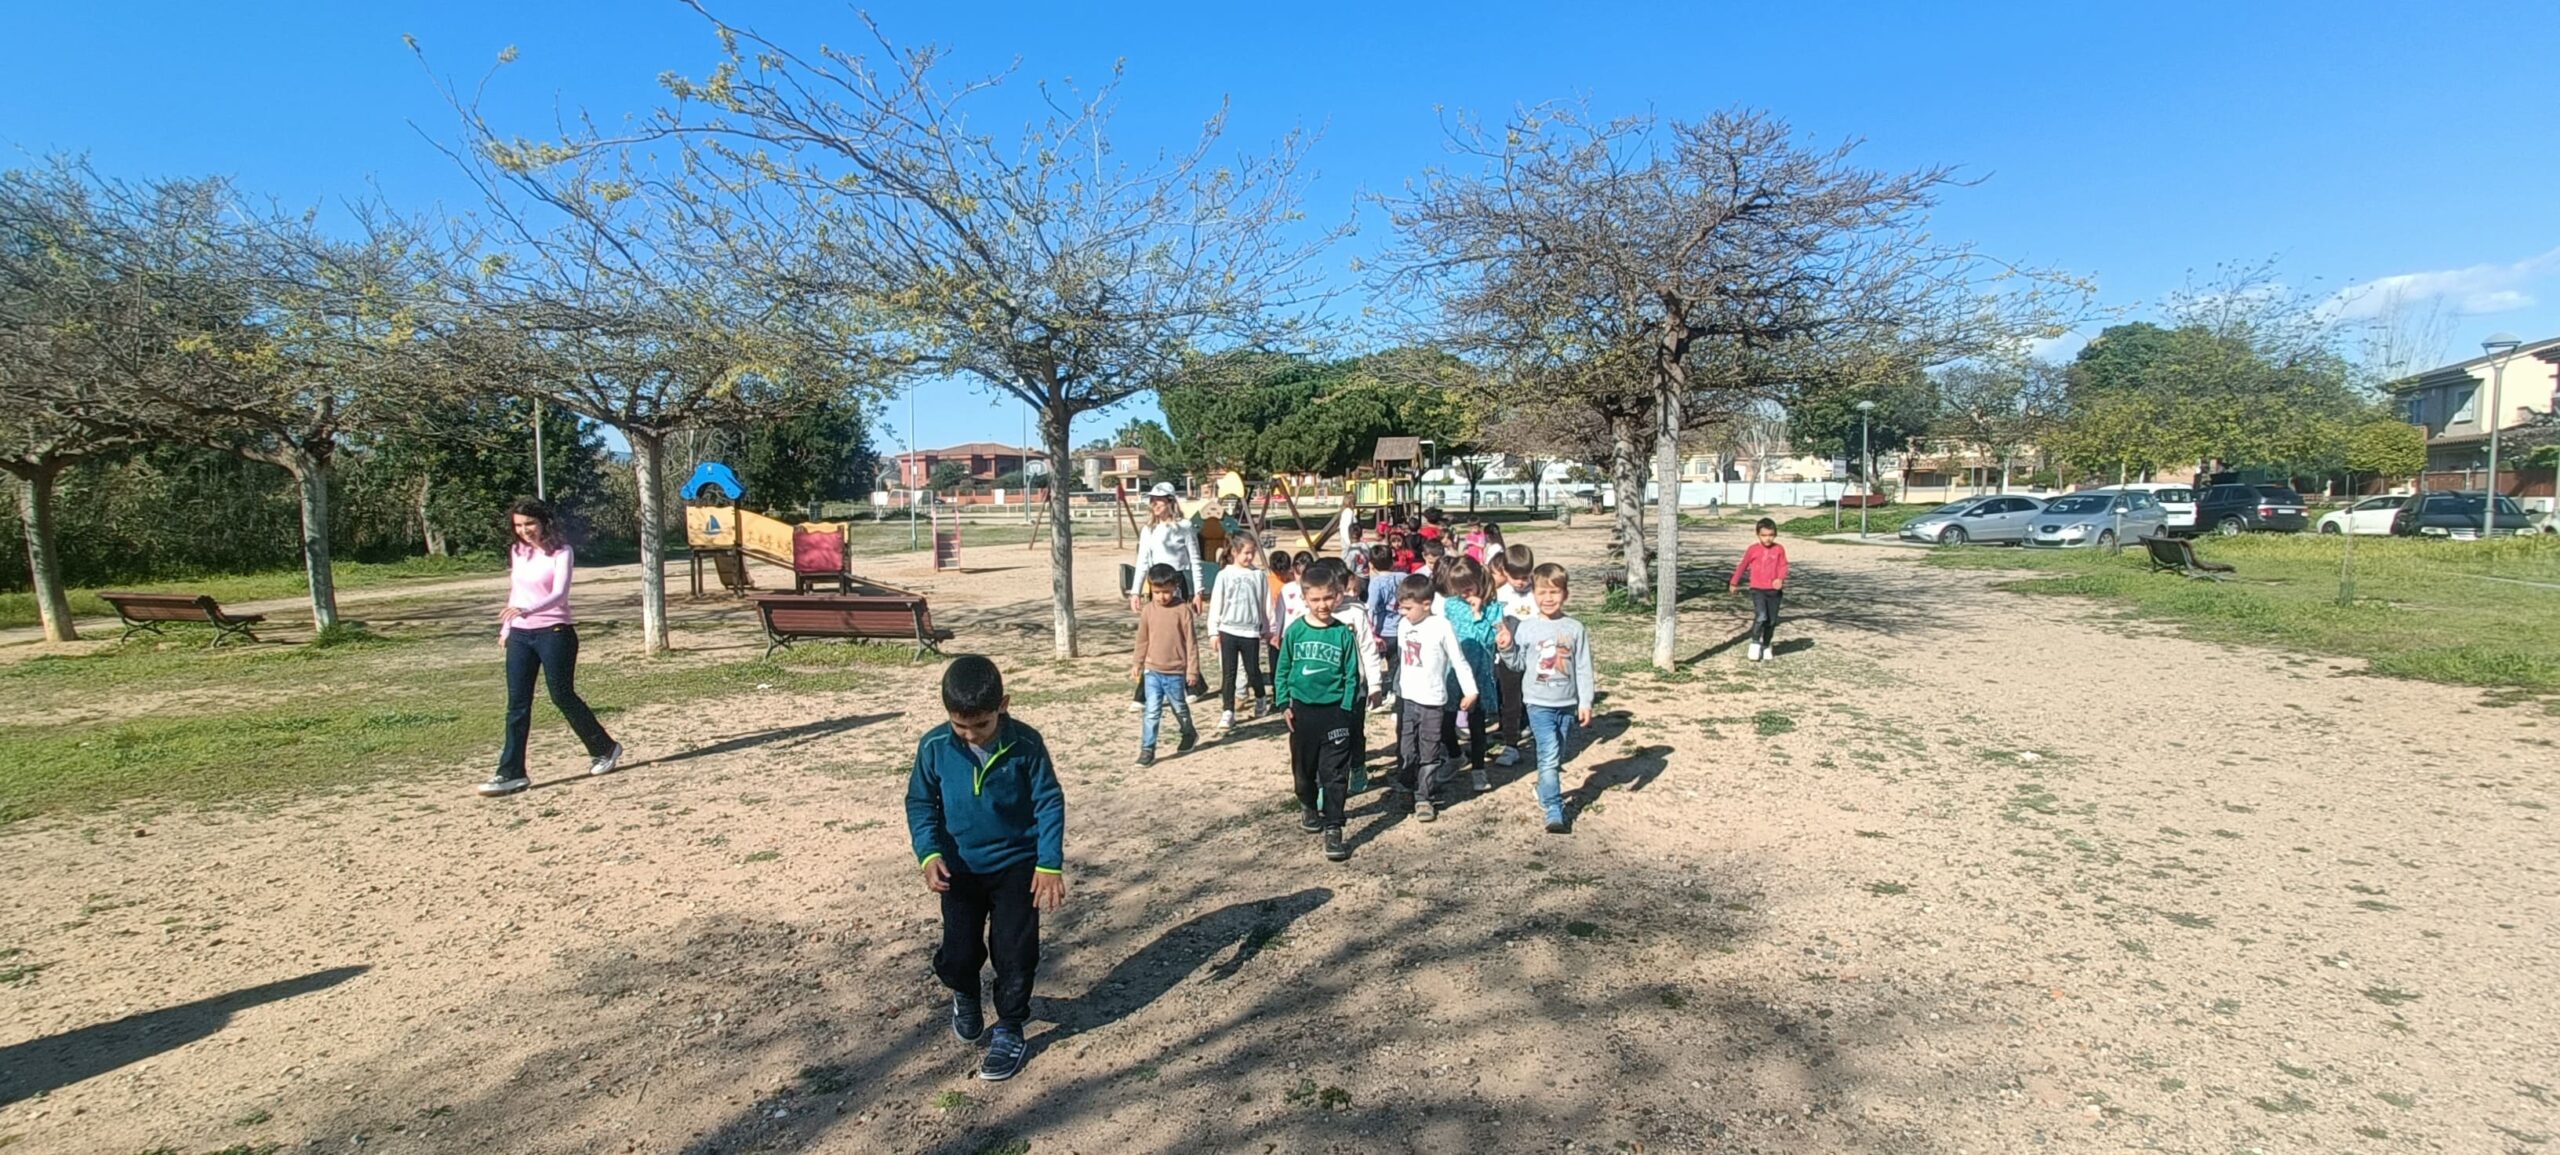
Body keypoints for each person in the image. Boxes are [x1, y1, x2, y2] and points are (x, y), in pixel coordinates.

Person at [905, 655, 1066, 1082]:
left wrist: (1049, 863)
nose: (971, 734)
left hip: (1017, 867)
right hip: (959, 869)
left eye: (981, 724)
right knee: (959, 953)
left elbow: (1049, 801)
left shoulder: (1026, 744)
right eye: (960, 725)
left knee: (1015, 953)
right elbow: (920, 802)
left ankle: (1011, 1025)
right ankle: (964, 991)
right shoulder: (934, 747)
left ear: (1003, 705)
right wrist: (929, 853)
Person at [480, 499, 622, 798]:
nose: (524, 530)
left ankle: (604, 747)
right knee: (517, 705)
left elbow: (559, 594)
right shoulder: (518, 551)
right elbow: (516, 592)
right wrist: (507, 627)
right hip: (521, 635)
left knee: (562, 695)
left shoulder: (562, 552)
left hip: (555, 633)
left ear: (544, 522)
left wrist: (526, 610)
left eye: (530, 524)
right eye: (519, 525)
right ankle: (511, 772)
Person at [1274, 559, 1366, 862]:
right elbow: (1282, 669)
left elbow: (1352, 675)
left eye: (1328, 598)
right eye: (1315, 599)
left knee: (1335, 774)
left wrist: (1346, 709)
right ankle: (1308, 805)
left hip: (1335, 712)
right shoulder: (1295, 632)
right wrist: (1283, 703)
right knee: (1304, 773)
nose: (1323, 605)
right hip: (1302, 713)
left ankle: (1334, 827)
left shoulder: (1342, 634)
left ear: (1338, 596)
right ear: (1304, 598)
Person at [1501, 564, 1596, 834]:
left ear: (1565, 594)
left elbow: (1583, 667)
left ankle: (1544, 789)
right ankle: (1554, 809)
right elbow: (1518, 664)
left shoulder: (1575, 628)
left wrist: (1585, 701)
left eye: (1554, 592)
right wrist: (1506, 648)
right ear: (1534, 594)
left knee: (1558, 752)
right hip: (1537, 703)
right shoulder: (1526, 628)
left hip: (1566, 703)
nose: (1548, 598)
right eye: (1542, 592)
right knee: (1549, 753)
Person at [1392, 573, 1478, 822]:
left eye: (1408, 608)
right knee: (1406, 749)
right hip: (1408, 699)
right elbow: (1402, 662)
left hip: (1432, 701)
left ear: (1426, 604)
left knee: (1429, 751)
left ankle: (1424, 797)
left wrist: (1470, 690)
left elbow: (1458, 660)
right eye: (1401, 608)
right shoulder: (1403, 625)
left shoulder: (1441, 626)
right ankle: (1406, 786)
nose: (1403, 613)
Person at [1128, 482, 1205, 708]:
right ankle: (1145, 692)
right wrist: (1135, 591)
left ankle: (1192, 683)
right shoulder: (1148, 530)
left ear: (1170, 501)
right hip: (1156, 583)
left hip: (1177, 582)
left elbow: (1195, 559)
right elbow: (1142, 562)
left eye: (1159, 500)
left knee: (1180, 635)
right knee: (1155, 634)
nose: (1155, 504)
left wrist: (1198, 592)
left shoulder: (1184, 526)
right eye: (1152, 500)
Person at [1436, 555, 1510, 787]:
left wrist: (1478, 615)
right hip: (1454, 672)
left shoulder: (1493, 609)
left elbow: (1489, 639)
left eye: (1468, 589)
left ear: (1479, 581)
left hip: (1480, 673)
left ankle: (1479, 769)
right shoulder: (1451, 605)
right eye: (1459, 590)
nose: (1464, 594)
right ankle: (1455, 756)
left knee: (1477, 725)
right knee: (1445, 721)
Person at [1131, 564, 1203, 765]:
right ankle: (1147, 749)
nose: (1162, 596)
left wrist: (1192, 671)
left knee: (1179, 708)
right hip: (1152, 671)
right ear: (1150, 588)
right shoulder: (1148, 611)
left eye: (1166, 592)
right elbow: (1142, 639)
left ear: (1175, 587)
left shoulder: (1183, 610)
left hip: (1175, 672)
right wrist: (1137, 662)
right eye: (1157, 592)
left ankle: (1189, 733)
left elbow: (1191, 643)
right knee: (1151, 711)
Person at [1207, 537, 1270, 729]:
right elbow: (1216, 603)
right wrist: (1213, 632)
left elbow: (1265, 602)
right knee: (1229, 673)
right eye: (1246, 553)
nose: (1250, 557)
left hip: (1250, 632)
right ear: (1235, 552)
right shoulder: (1224, 575)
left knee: (1253, 670)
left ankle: (1260, 698)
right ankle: (1228, 711)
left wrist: (1267, 627)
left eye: (1253, 553)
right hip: (1228, 630)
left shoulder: (1258, 575)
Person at [1490, 543, 1537, 758]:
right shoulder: (1499, 595)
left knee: (1532, 695)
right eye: (1515, 577)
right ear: (1505, 572)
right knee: (1510, 698)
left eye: (1525, 577)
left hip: (1534, 655)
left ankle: (1531, 726)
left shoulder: (1537, 593)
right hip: (1507, 656)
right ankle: (1511, 742)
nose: (1520, 582)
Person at [1729, 517, 1790, 661]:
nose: (1767, 538)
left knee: (1771, 621)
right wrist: (1734, 582)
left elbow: (1784, 566)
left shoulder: (1779, 549)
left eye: (1771, 535)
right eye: (1764, 535)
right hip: (1757, 589)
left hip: (1774, 591)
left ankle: (1766, 645)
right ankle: (1755, 643)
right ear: (1758, 535)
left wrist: (1780, 578)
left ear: (1775, 534)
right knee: (1761, 616)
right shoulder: (1753, 549)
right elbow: (1743, 565)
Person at [1363, 543, 1405, 679]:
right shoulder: (1403, 577)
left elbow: (1372, 607)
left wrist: (1371, 630)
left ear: (1371, 565)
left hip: (1383, 630)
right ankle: (1395, 684)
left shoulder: (1376, 583)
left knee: (1384, 661)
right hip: (1401, 626)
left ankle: (1387, 685)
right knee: (1398, 661)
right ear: (1392, 562)